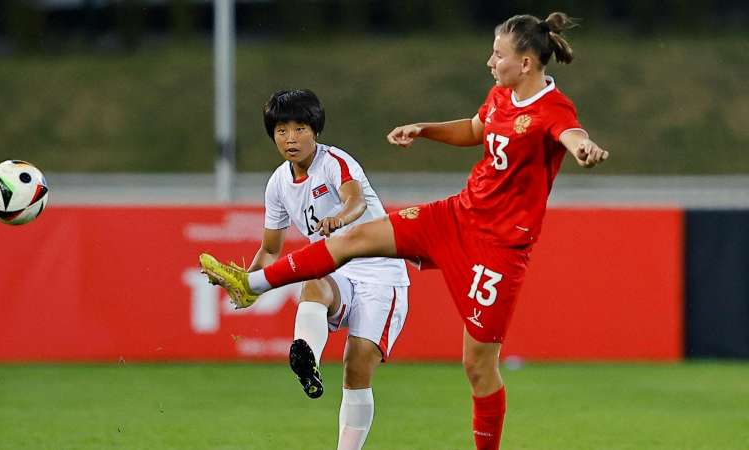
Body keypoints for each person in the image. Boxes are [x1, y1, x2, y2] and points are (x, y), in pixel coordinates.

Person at [201, 12, 608, 450]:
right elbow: (476, 128)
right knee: (352, 239)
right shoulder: (500, 96)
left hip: (499, 248)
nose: (490, 61)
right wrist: (425, 129)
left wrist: (582, 146)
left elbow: (571, 132)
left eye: (498, 54)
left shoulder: (553, 108)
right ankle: (251, 284)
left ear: (525, 63)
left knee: (477, 367)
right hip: (456, 216)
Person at [204, 89, 410, 450]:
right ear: (273, 136)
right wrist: (249, 284)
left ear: (315, 130)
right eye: (282, 130)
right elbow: (270, 249)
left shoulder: (334, 162)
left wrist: (338, 218)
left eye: (300, 128)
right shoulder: (278, 184)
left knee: (356, 369)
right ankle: (307, 357)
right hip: (339, 272)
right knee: (313, 281)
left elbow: (356, 201)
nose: (291, 138)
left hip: (380, 273)